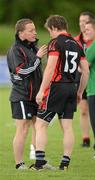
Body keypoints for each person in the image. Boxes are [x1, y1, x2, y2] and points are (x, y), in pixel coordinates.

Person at [29, 15, 89, 171]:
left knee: (41, 124)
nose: (49, 34)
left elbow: (50, 68)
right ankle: (65, 164)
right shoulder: (77, 44)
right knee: (67, 127)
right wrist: (80, 91)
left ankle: (39, 163)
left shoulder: (55, 43)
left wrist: (41, 90)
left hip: (57, 87)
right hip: (72, 87)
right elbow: (86, 71)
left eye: (49, 30)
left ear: (54, 27)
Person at [7, 18, 47, 169]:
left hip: (36, 96)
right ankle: (19, 164)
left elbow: (38, 71)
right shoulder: (15, 50)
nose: (34, 32)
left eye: (34, 29)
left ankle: (39, 162)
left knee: (39, 127)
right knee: (23, 129)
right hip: (22, 96)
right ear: (21, 33)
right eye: (31, 30)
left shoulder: (33, 48)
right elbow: (22, 72)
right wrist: (38, 59)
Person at [74, 11, 95, 147]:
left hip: (91, 81)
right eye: (80, 21)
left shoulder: (92, 42)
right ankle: (86, 139)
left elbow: (85, 64)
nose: (82, 24)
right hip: (82, 80)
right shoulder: (76, 40)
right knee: (84, 110)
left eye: (85, 21)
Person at [85, 19, 95, 158]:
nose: (84, 32)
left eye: (88, 29)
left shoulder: (93, 46)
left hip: (94, 89)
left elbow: (84, 66)